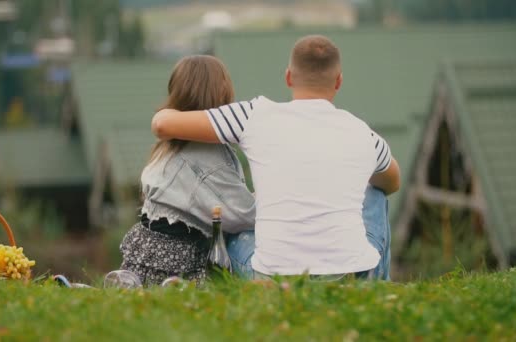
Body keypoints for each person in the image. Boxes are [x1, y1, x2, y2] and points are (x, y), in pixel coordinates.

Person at [150, 35, 401, 280]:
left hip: (271, 278)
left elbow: (162, 125)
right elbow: (392, 183)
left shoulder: (254, 115)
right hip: (351, 273)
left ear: (288, 77)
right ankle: (377, 285)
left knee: (233, 228)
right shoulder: (366, 135)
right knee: (375, 193)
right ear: (339, 82)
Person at [119, 55, 256, 286]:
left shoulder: (172, 143)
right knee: (249, 238)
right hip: (176, 265)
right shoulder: (207, 154)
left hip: (144, 259)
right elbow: (242, 216)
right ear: (222, 92)